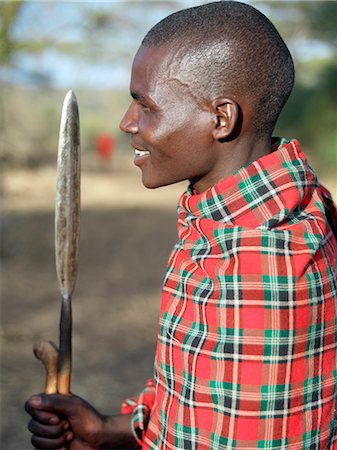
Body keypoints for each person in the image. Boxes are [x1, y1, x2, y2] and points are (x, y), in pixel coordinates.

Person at [25, 2, 337, 449]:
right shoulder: (251, 213)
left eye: (145, 105)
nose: (127, 122)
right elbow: (197, 399)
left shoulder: (256, 273)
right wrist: (107, 431)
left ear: (221, 119)